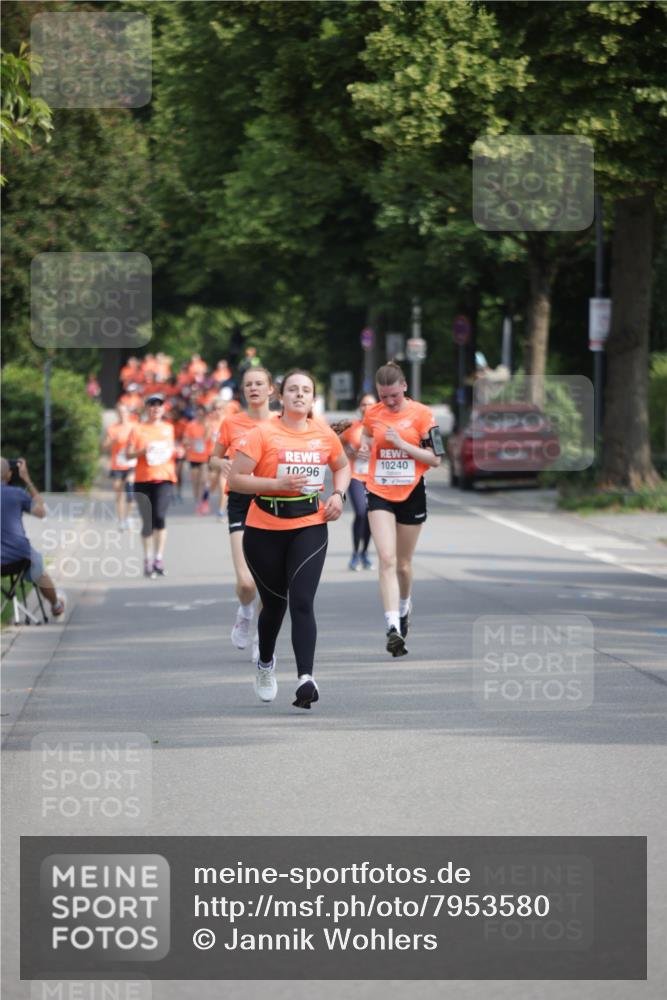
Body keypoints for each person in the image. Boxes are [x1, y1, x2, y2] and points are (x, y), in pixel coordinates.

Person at [228, 369, 350, 708]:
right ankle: (265, 664)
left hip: (310, 524)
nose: (299, 395)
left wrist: (338, 495)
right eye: (293, 389)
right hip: (264, 528)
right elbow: (236, 479)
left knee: (302, 600)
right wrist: (275, 485)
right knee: (274, 605)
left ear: (313, 398)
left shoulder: (324, 434)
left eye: (306, 390)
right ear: (280, 397)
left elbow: (342, 466)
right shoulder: (262, 433)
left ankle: (306, 678)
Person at [357, 362, 442, 657]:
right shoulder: (373, 413)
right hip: (379, 490)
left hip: (411, 492)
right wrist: (365, 446)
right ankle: (392, 626)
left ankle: (404, 608)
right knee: (387, 558)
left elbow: (436, 459)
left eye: (394, 395)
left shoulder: (423, 415)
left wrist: (402, 445)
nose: (390, 402)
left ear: (404, 387)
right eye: (384, 397)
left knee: (403, 564)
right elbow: (367, 434)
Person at [210, 367, 275, 662]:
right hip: (239, 499)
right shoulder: (231, 422)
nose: (254, 389)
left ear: (271, 389)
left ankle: (262, 636)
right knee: (247, 583)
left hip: (271, 499)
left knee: (268, 581)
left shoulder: (281, 422)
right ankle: (245, 611)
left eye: (259, 384)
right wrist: (221, 464)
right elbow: (213, 457)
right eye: (249, 385)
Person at [0, 457, 65, 618]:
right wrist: (27, 480)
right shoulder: (17, 493)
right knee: (38, 569)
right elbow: (41, 512)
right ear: (9, 475)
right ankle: (56, 605)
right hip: (19, 558)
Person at [126, 394, 176, 578]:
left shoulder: (168, 428)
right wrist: (142, 451)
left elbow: (171, 450)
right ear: (146, 408)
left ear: (163, 409)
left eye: (159, 405)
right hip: (143, 479)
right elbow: (128, 454)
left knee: (160, 517)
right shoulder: (138, 429)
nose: (156, 408)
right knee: (148, 522)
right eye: (152, 405)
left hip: (164, 478)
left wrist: (176, 451)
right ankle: (147, 559)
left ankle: (158, 558)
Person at [339, 393, 377, 571]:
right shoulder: (352, 426)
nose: (367, 408)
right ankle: (355, 554)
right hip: (355, 476)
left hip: (374, 479)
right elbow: (339, 440)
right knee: (361, 512)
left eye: (371, 404)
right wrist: (350, 451)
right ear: (359, 407)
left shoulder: (381, 427)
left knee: (370, 515)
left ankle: (364, 553)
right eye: (364, 404)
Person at [102, 404, 136, 528]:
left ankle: (129, 517)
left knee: (130, 489)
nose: (122, 414)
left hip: (132, 464)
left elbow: (141, 442)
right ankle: (121, 519)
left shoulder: (134, 427)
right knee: (118, 492)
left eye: (124, 412)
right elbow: (104, 447)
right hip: (118, 465)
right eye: (120, 412)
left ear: (128, 413)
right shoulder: (112, 428)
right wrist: (112, 441)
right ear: (117, 414)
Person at [183, 404, 211, 513]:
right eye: (198, 414)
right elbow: (185, 439)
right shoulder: (190, 425)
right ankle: (198, 502)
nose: (199, 416)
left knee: (204, 480)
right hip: (193, 457)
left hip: (205, 457)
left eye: (201, 414)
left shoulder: (208, 425)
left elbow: (208, 438)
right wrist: (190, 442)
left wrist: (206, 429)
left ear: (205, 414)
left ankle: (205, 501)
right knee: (195, 482)